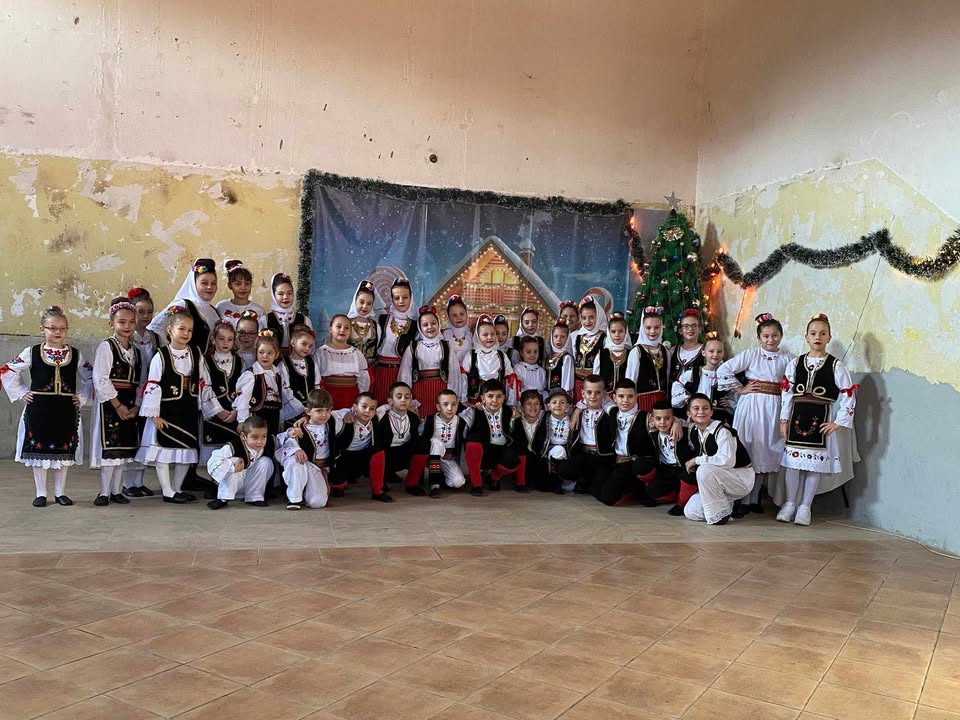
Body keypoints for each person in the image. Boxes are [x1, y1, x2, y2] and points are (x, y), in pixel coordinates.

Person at [776, 314, 858, 526]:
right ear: (806, 337)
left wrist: (838, 422)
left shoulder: (836, 366)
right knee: (792, 465)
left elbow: (848, 394)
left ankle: (805, 507)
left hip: (821, 419)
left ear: (829, 337)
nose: (818, 337)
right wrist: (784, 420)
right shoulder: (795, 363)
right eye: (813, 333)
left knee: (814, 466)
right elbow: (787, 393)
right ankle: (789, 504)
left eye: (823, 333)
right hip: (796, 418)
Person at [2, 306, 88, 507]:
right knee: (38, 452)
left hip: (66, 410)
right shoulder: (32, 352)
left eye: (62, 328)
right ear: (42, 329)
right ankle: (41, 493)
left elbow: (91, 377)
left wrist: (83, 397)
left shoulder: (75, 354)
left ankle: (60, 492)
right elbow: (8, 370)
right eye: (53, 328)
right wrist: (22, 393)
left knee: (63, 451)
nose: (58, 332)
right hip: (39, 410)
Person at [137, 307, 218, 504]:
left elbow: (204, 382)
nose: (186, 333)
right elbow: (153, 385)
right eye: (181, 329)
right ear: (170, 330)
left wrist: (211, 409)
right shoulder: (161, 356)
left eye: (189, 330)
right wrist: (154, 415)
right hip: (165, 411)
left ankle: (177, 488)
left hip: (187, 411)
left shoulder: (196, 354)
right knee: (163, 451)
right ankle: (167, 491)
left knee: (185, 451)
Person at [718, 313, 793, 513]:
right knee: (749, 448)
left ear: (781, 336)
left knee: (766, 451)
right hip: (752, 407)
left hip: (774, 408)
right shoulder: (751, 354)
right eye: (766, 336)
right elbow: (724, 369)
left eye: (775, 335)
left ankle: (754, 499)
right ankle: (742, 499)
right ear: (759, 338)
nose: (770, 340)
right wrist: (740, 388)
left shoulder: (788, 358)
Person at [90, 298, 143, 506]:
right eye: (122, 322)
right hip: (110, 405)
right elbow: (100, 378)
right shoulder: (107, 347)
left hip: (129, 405)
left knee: (123, 451)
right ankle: (104, 492)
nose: (127, 326)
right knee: (110, 451)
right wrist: (118, 405)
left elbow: (141, 381)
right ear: (111, 323)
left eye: (131, 322)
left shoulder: (136, 351)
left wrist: (136, 405)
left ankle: (117, 491)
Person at [682, 394, 754, 525]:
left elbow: (727, 461)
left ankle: (719, 517)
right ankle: (727, 507)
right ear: (689, 413)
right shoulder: (694, 431)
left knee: (703, 470)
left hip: (740, 477)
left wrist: (696, 460)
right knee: (691, 511)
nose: (701, 412)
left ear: (711, 412)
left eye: (705, 408)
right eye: (696, 408)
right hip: (719, 478)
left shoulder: (723, 431)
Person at [593, 378, 657, 507]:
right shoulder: (613, 411)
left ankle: (639, 489)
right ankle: (629, 488)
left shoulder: (647, 417)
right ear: (614, 397)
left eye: (630, 396)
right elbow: (601, 398)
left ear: (636, 397)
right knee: (597, 492)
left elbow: (666, 420)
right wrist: (578, 409)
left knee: (608, 498)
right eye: (621, 396)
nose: (625, 400)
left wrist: (676, 422)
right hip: (617, 461)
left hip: (636, 463)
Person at [277, 389, 338, 509]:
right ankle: (294, 499)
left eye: (327, 410)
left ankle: (307, 491)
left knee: (317, 503)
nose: (324, 414)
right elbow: (282, 442)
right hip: (305, 464)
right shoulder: (299, 428)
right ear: (308, 411)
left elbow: (347, 412)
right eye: (319, 411)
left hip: (319, 469)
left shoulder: (332, 422)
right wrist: (296, 449)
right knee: (295, 461)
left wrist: (350, 415)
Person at [124, 287, 158, 497]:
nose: (145, 316)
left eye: (149, 312)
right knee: (130, 437)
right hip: (130, 392)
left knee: (144, 438)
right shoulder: (127, 337)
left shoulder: (155, 338)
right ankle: (127, 483)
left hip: (148, 393)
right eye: (140, 312)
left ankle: (139, 481)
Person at [329, 392, 392, 502]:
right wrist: (305, 418)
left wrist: (409, 408)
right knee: (338, 487)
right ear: (355, 407)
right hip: (344, 457)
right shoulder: (344, 418)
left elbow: (389, 406)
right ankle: (339, 485)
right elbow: (327, 414)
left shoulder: (376, 417)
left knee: (378, 452)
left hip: (363, 456)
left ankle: (378, 491)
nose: (367, 411)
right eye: (364, 406)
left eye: (372, 408)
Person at [398, 305, 459, 419]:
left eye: (433, 323)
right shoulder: (413, 347)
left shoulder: (446, 346)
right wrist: (406, 398)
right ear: (420, 327)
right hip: (419, 390)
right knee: (420, 419)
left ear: (439, 324)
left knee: (439, 419)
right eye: (425, 325)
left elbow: (454, 374)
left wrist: (452, 396)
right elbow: (405, 374)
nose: (430, 327)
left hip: (442, 390)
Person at [462, 380, 520, 496]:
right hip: (481, 453)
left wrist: (517, 418)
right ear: (483, 398)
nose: (494, 400)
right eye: (490, 396)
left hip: (500, 453)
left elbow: (516, 433)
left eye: (499, 396)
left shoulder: (510, 412)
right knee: (473, 442)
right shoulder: (474, 411)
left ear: (503, 398)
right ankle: (476, 484)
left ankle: (494, 477)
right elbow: (460, 428)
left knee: (513, 459)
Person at [149, 258, 221, 352]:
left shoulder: (213, 311)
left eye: (213, 283)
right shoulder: (182, 306)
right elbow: (155, 328)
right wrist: (170, 353)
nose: (209, 287)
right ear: (193, 284)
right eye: (204, 283)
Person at [407, 389, 467, 497]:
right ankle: (434, 486)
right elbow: (419, 438)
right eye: (445, 404)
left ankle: (441, 477)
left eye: (454, 404)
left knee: (458, 482)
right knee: (436, 442)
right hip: (430, 456)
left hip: (448, 458)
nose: (450, 408)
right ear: (438, 407)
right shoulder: (429, 420)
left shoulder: (461, 421)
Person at [206, 416, 274, 509]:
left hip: (248, 484)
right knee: (236, 461)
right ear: (243, 436)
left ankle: (254, 497)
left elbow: (282, 440)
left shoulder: (267, 444)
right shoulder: (232, 447)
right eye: (255, 437)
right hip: (230, 485)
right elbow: (213, 461)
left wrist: (290, 433)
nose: (259, 441)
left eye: (263, 437)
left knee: (266, 462)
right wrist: (232, 468)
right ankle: (223, 499)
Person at [200, 321, 242, 467]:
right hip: (214, 413)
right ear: (213, 339)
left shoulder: (239, 360)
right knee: (214, 454)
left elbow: (244, 389)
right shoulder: (205, 361)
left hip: (234, 412)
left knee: (232, 452)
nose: (225, 343)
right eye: (221, 339)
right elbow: (204, 387)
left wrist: (236, 410)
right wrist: (218, 411)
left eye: (230, 339)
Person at [567, 375, 615, 496]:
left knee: (597, 491)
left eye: (597, 392)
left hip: (602, 457)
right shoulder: (578, 411)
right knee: (565, 469)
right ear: (583, 393)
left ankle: (593, 481)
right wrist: (577, 410)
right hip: (584, 455)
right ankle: (584, 479)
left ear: (604, 393)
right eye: (589, 392)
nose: (593, 396)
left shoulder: (609, 413)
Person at [234, 330, 287, 439]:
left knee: (271, 442)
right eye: (261, 352)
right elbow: (243, 398)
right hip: (257, 418)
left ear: (276, 355)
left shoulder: (277, 375)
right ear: (256, 353)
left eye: (269, 353)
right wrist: (243, 420)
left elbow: (280, 400)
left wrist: (281, 420)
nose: (265, 356)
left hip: (274, 417)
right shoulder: (251, 375)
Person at [374, 382, 425, 497]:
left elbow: (416, 439)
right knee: (377, 450)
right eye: (399, 396)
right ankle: (380, 483)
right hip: (386, 455)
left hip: (404, 453)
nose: (403, 400)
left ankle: (412, 484)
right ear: (390, 401)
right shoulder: (382, 417)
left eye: (407, 397)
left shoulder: (413, 417)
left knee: (423, 444)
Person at [648, 401, 697, 516]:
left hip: (684, 469)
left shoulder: (684, 430)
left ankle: (681, 504)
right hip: (667, 470)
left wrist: (677, 422)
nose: (662, 422)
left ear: (673, 418)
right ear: (653, 420)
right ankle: (675, 495)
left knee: (689, 475)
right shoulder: (653, 433)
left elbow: (696, 426)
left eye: (667, 418)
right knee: (652, 490)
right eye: (658, 419)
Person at [373, 277, 417, 402]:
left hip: (403, 372)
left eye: (405, 297)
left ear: (411, 298)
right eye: (397, 298)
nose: (401, 301)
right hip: (380, 372)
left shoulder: (415, 325)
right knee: (379, 405)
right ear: (392, 299)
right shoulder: (383, 319)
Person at [671, 331, 732, 424]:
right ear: (703, 353)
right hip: (696, 418)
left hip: (718, 419)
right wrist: (685, 397)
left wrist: (730, 403)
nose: (715, 354)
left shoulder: (726, 376)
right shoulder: (694, 373)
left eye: (719, 351)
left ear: (723, 353)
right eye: (711, 351)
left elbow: (734, 393)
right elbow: (677, 385)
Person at [460, 315, 517, 405]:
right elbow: (463, 378)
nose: (490, 337)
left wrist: (510, 402)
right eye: (485, 335)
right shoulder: (471, 355)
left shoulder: (501, 355)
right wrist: (464, 400)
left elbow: (510, 379)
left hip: (496, 399)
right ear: (478, 336)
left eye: (493, 334)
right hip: (477, 400)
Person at [317, 314, 370, 410]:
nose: (342, 330)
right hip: (327, 397)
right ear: (330, 329)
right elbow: (315, 378)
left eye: (346, 328)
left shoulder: (357, 353)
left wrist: (361, 400)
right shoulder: (321, 352)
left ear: (350, 332)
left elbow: (363, 379)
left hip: (350, 397)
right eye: (338, 326)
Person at [625, 305, 670, 411]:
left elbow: (667, 380)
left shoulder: (665, 351)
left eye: (657, 327)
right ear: (642, 328)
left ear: (661, 327)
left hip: (662, 404)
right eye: (648, 328)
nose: (652, 331)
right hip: (642, 403)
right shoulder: (637, 351)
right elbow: (630, 381)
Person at [279, 324, 322, 424]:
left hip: (312, 411)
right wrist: (301, 409)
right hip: (293, 411)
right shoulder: (284, 364)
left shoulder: (312, 363)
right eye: (304, 344)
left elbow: (317, 386)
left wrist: (315, 407)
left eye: (310, 346)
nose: (307, 348)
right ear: (293, 342)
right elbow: (285, 391)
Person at [572, 296, 607, 402]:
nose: (587, 321)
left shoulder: (604, 338)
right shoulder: (578, 336)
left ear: (598, 316)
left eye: (591, 317)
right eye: (584, 318)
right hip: (577, 385)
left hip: (593, 388)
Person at [511, 389, 545, 493]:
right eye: (529, 403)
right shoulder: (515, 421)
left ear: (541, 406)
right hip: (521, 460)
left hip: (537, 460)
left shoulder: (545, 421)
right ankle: (520, 482)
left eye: (536, 404)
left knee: (544, 486)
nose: (533, 407)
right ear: (522, 407)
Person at [266, 272, 311, 350]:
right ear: (273, 295)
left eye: (289, 293)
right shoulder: (266, 320)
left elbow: (310, 347)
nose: (285, 297)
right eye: (280, 294)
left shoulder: (304, 320)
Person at [216, 259, 266, 328]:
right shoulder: (221, 307)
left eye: (247, 284)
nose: (243, 288)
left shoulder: (259, 310)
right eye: (238, 284)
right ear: (230, 285)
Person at [593, 311, 632, 394]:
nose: (617, 335)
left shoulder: (630, 353)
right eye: (613, 331)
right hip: (605, 396)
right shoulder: (602, 353)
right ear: (608, 332)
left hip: (624, 397)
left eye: (621, 331)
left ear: (626, 332)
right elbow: (596, 376)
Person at [347, 279, 381, 367]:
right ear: (355, 301)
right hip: (348, 370)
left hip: (369, 371)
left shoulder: (376, 326)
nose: (364, 306)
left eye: (369, 304)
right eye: (361, 302)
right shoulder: (346, 323)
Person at [670, 309, 705, 385]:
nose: (690, 329)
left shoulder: (706, 351)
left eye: (694, 326)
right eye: (686, 326)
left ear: (700, 329)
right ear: (680, 330)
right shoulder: (672, 351)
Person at [545, 320, 575, 397]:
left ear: (567, 338)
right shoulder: (549, 356)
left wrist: (564, 397)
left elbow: (567, 383)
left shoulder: (566, 358)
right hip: (547, 396)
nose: (559, 339)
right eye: (556, 336)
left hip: (559, 397)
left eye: (562, 337)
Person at [513, 336, 547, 400]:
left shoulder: (541, 371)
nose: (532, 355)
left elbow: (543, 389)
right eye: (528, 352)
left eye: (535, 352)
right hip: (523, 401)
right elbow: (517, 389)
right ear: (522, 353)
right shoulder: (518, 369)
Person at [441, 295, 473, 365]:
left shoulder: (472, 334)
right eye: (454, 315)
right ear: (449, 317)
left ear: (466, 314)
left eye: (461, 314)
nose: (459, 318)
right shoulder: (443, 334)